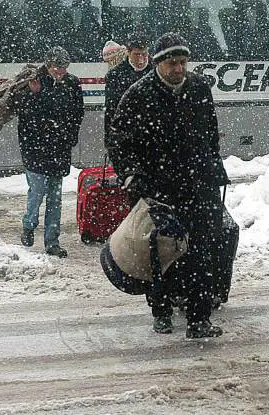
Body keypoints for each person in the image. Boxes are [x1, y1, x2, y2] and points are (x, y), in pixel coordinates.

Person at [108, 33, 230, 339]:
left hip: (199, 186)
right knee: (160, 253)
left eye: (183, 62)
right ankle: (160, 310)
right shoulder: (138, 94)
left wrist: (213, 165)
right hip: (157, 190)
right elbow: (119, 142)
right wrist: (133, 177)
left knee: (202, 252)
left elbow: (210, 133)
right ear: (158, 63)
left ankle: (198, 318)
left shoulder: (200, 88)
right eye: (172, 63)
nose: (178, 69)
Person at [13, 46, 84, 258]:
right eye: (56, 68)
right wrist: (35, 96)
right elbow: (23, 112)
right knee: (37, 192)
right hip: (36, 148)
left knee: (55, 197)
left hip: (59, 148)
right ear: (48, 65)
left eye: (64, 68)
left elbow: (77, 112)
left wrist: (70, 136)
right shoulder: (34, 81)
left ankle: (52, 242)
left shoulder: (72, 83)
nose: (60, 72)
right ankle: (29, 224)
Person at [104, 33, 152, 149]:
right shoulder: (115, 75)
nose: (141, 59)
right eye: (136, 54)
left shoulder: (157, 71)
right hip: (125, 137)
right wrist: (109, 138)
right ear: (128, 53)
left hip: (152, 135)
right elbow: (111, 108)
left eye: (144, 54)